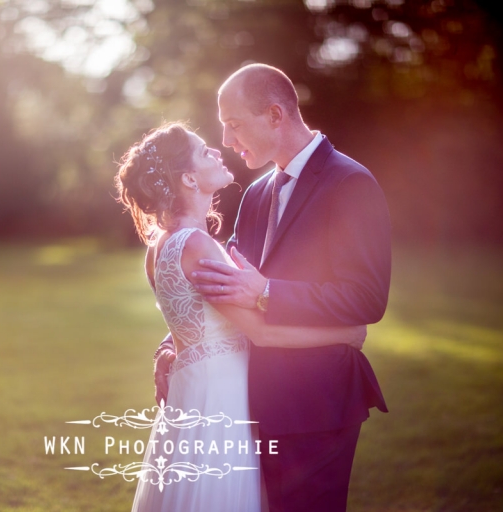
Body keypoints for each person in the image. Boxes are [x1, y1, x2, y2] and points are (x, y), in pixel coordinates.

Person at [153, 64, 391, 512]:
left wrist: (267, 292)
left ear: (276, 115)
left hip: (318, 400)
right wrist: (177, 341)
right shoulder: (257, 192)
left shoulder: (350, 183)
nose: (226, 139)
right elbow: (219, 282)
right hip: (253, 398)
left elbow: (367, 298)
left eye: (234, 124)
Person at [117, 121, 368, 512]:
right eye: (204, 151)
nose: (217, 150)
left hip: (193, 390)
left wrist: (168, 349)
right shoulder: (198, 245)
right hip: (219, 398)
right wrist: (344, 335)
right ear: (188, 178)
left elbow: (188, 320)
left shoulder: (160, 245)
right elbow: (261, 333)